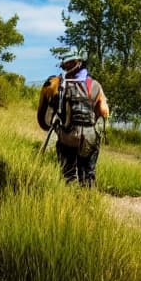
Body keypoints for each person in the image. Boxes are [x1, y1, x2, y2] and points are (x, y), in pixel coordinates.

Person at [37, 49, 109, 187]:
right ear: (80, 63)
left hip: (67, 137)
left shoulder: (57, 85)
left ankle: (70, 199)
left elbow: (44, 119)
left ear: (65, 65)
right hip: (89, 138)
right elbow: (104, 112)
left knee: (68, 174)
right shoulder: (94, 85)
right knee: (88, 174)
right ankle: (88, 199)